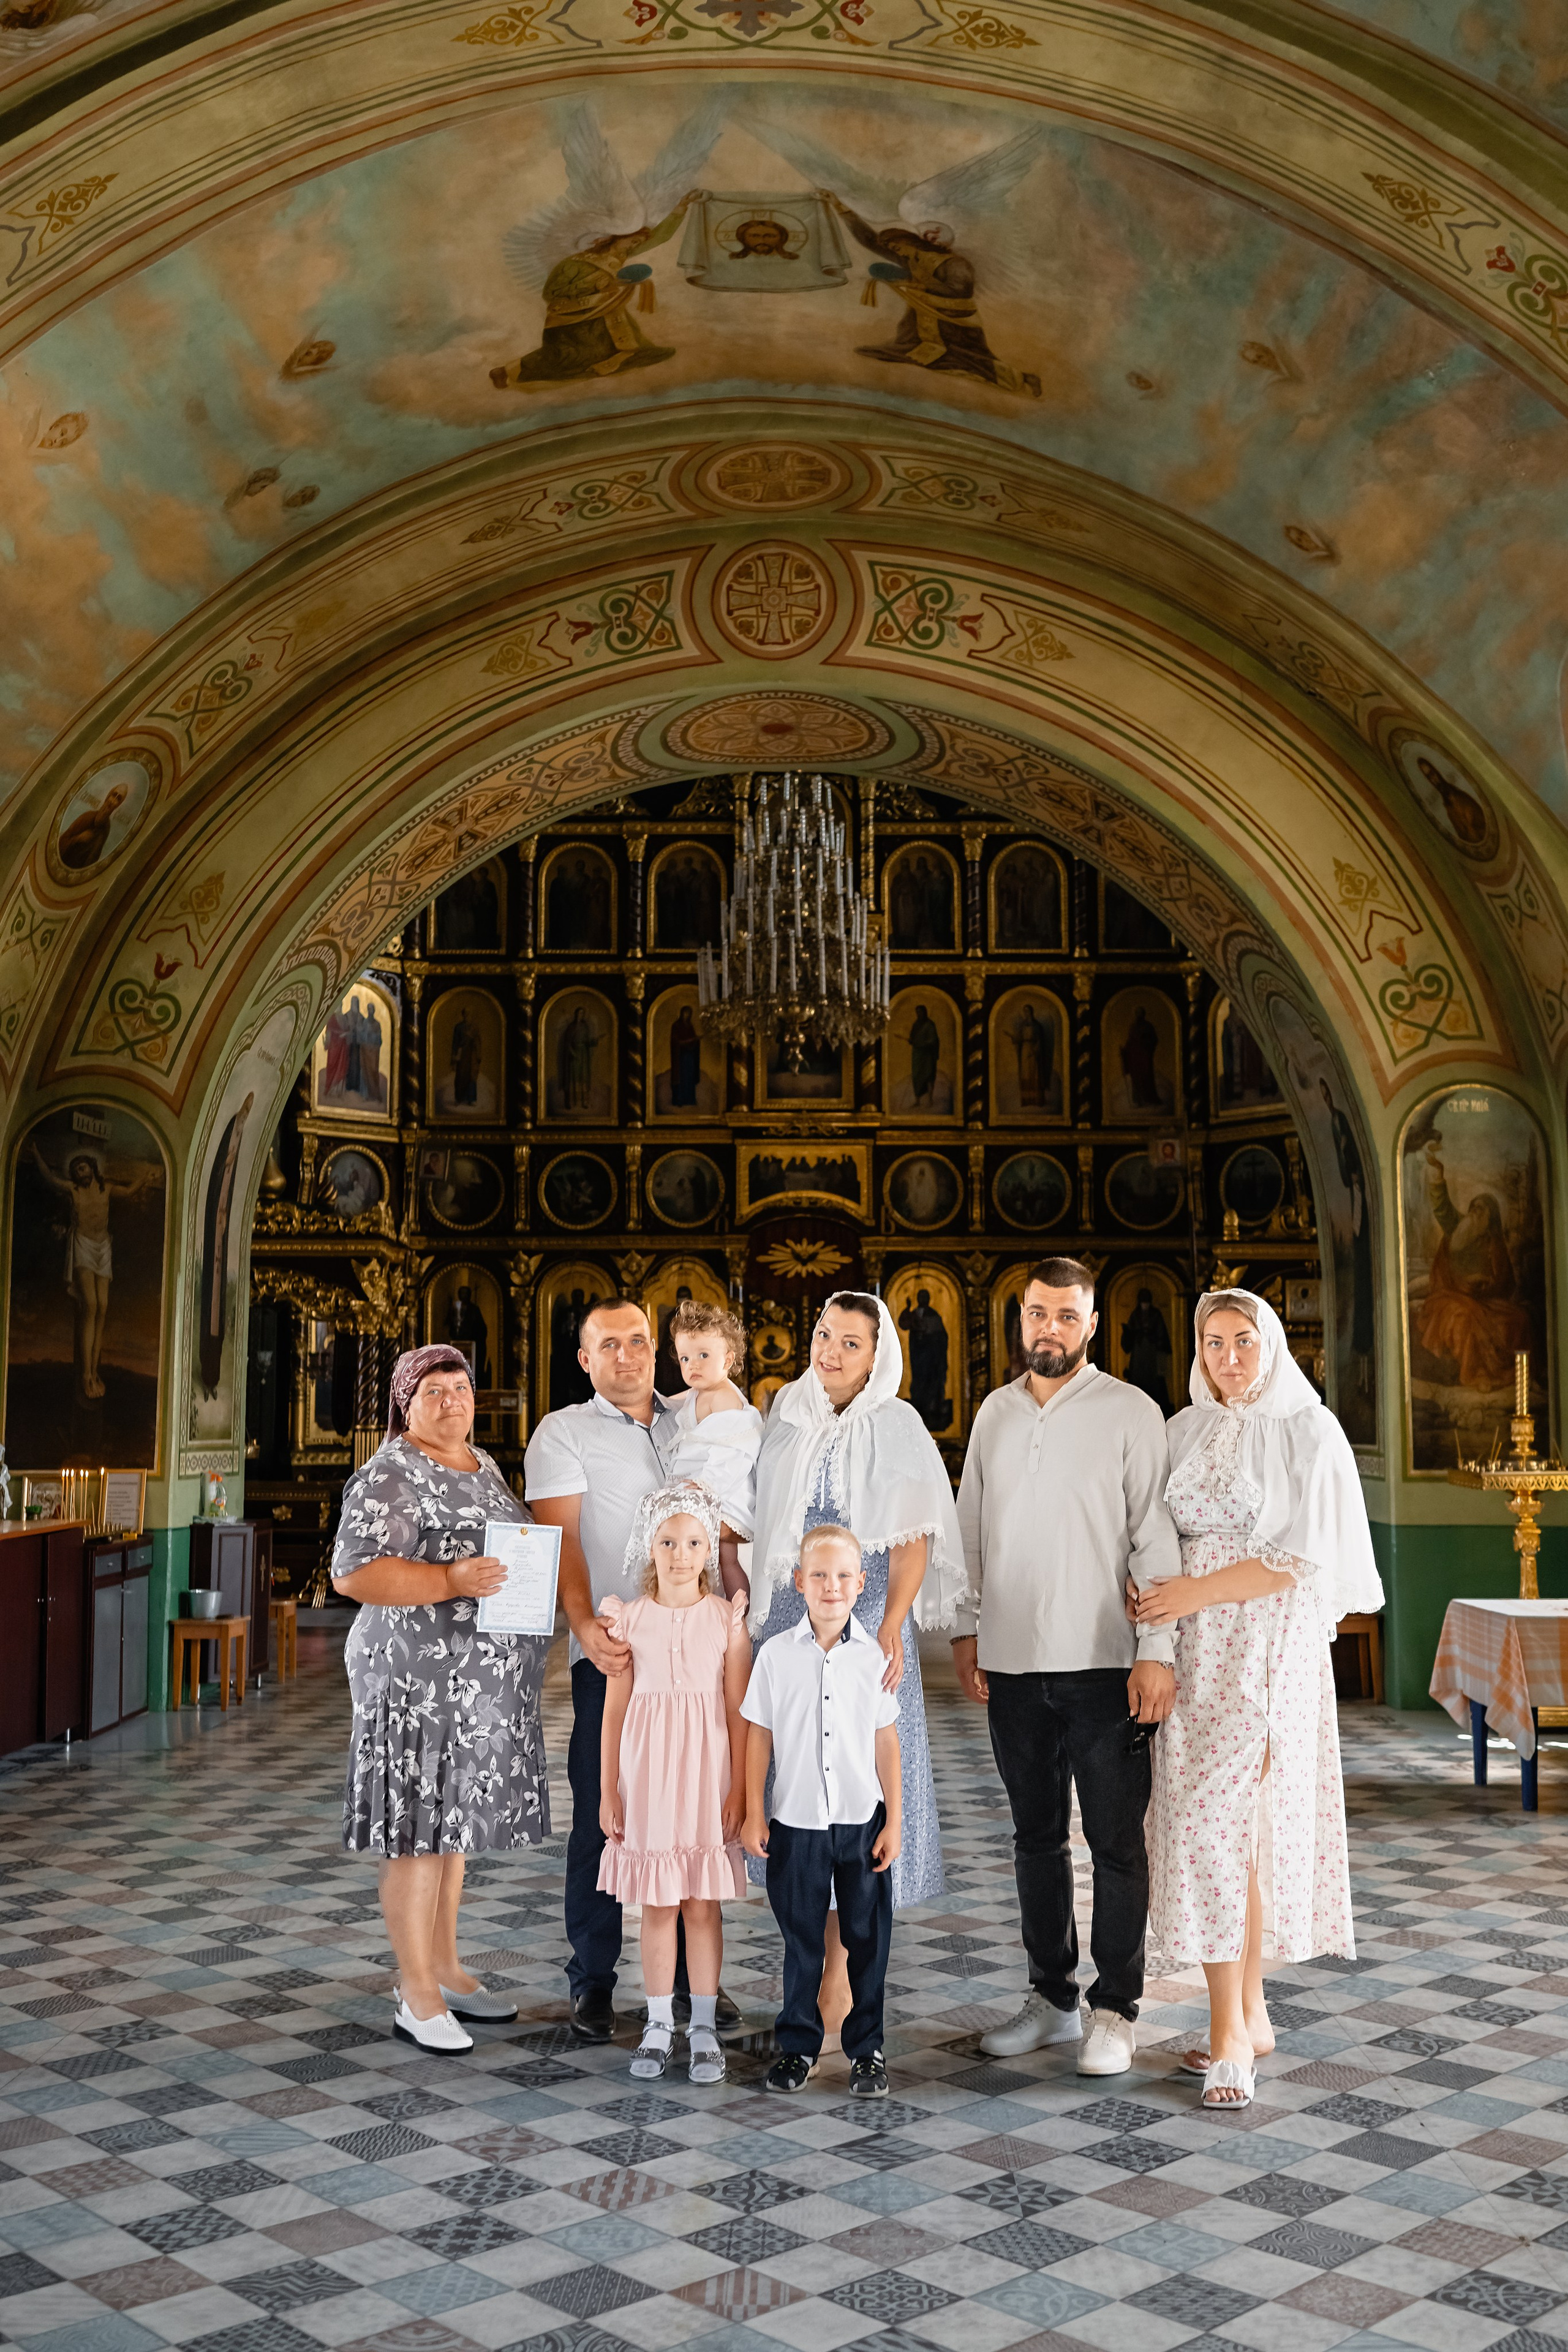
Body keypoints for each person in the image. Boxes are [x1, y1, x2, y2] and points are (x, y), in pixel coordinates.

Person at [1133, 1291, 1383, 2109]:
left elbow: (1296, 1561)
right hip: (1195, 1654)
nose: (1228, 1358)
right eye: (1213, 1343)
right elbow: (1153, 1537)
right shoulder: (1183, 1430)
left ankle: (1229, 2032)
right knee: (1209, 1835)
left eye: (1243, 1341)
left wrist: (1191, 1593)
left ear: (1270, 1344)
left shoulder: (1307, 1429)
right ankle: (1250, 2010)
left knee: (1227, 1832)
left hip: (1267, 1652)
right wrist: (1160, 1630)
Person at [954, 1257, 1180, 2076]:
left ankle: (1115, 2009)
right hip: (1013, 1663)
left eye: (1065, 1316)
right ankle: (1051, 1999)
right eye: (1035, 1314)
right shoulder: (995, 1414)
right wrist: (965, 1630)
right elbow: (969, 1528)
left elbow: (1156, 1538)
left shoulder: (1130, 1412)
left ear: (1092, 1324)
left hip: (1106, 1665)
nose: (1047, 1329)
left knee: (1116, 1842)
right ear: (1020, 1319)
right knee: (1035, 1838)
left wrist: (1158, 1652)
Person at [524, 1297, 743, 2045]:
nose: (629, 1355)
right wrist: (586, 1627)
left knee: (692, 1811)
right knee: (605, 1806)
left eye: (640, 1341)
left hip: (702, 1649)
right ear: (585, 1359)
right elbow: (563, 1540)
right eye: (609, 1345)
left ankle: (689, 1985)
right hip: (621, 1650)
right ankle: (592, 1980)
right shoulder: (565, 1431)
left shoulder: (696, 1413)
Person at [750, 1291, 964, 2046]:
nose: (831, 1351)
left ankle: (837, 1984)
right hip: (788, 1623)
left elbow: (912, 1538)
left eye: (850, 1341)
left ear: (877, 1356)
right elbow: (761, 1522)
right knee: (799, 1804)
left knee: (854, 1805)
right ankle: (801, 1982)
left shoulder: (895, 1424)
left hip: (862, 1626)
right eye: (822, 1335)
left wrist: (892, 1626)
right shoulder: (786, 1413)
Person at [330, 1346, 549, 2054]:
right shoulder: (392, 1471)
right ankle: (416, 1993)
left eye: (462, 1386)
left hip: (473, 1689)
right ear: (406, 1403)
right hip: (415, 1684)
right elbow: (354, 1573)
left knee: (449, 1836)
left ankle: (447, 1968)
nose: (452, 1399)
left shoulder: (481, 1464)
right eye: (434, 1390)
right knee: (417, 1837)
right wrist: (451, 1579)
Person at [598, 1485, 750, 2084]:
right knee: (657, 1903)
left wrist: (739, 1790)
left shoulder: (725, 1620)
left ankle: (705, 2027)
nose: (680, 1554)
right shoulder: (628, 1620)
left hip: (707, 1775)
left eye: (692, 1543)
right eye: (668, 1542)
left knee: (701, 1904)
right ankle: (659, 2023)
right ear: (649, 1547)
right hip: (649, 1777)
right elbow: (613, 1712)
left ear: (709, 1550)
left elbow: (739, 1711)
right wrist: (610, 1788)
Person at [743, 1523, 901, 2097]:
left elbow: (887, 1740)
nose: (830, 1587)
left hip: (862, 1821)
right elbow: (757, 1737)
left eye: (842, 1576)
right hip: (797, 1823)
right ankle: (798, 2046)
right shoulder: (776, 1657)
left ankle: (867, 2049)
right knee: (802, 1940)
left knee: (868, 1939)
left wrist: (897, 1821)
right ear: (799, 1583)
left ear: (861, 1584)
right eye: (818, 1576)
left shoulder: (873, 1659)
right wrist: (751, 1811)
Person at [663, 1297, 763, 1595]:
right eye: (685, 1358)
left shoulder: (724, 1398)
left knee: (725, 1556)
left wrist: (706, 1486)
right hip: (698, 1487)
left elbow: (733, 1453)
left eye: (703, 1355)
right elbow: (673, 1409)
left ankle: (740, 1612)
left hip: (723, 1489)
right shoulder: (698, 1392)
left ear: (728, 1360)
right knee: (704, 1557)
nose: (692, 1364)